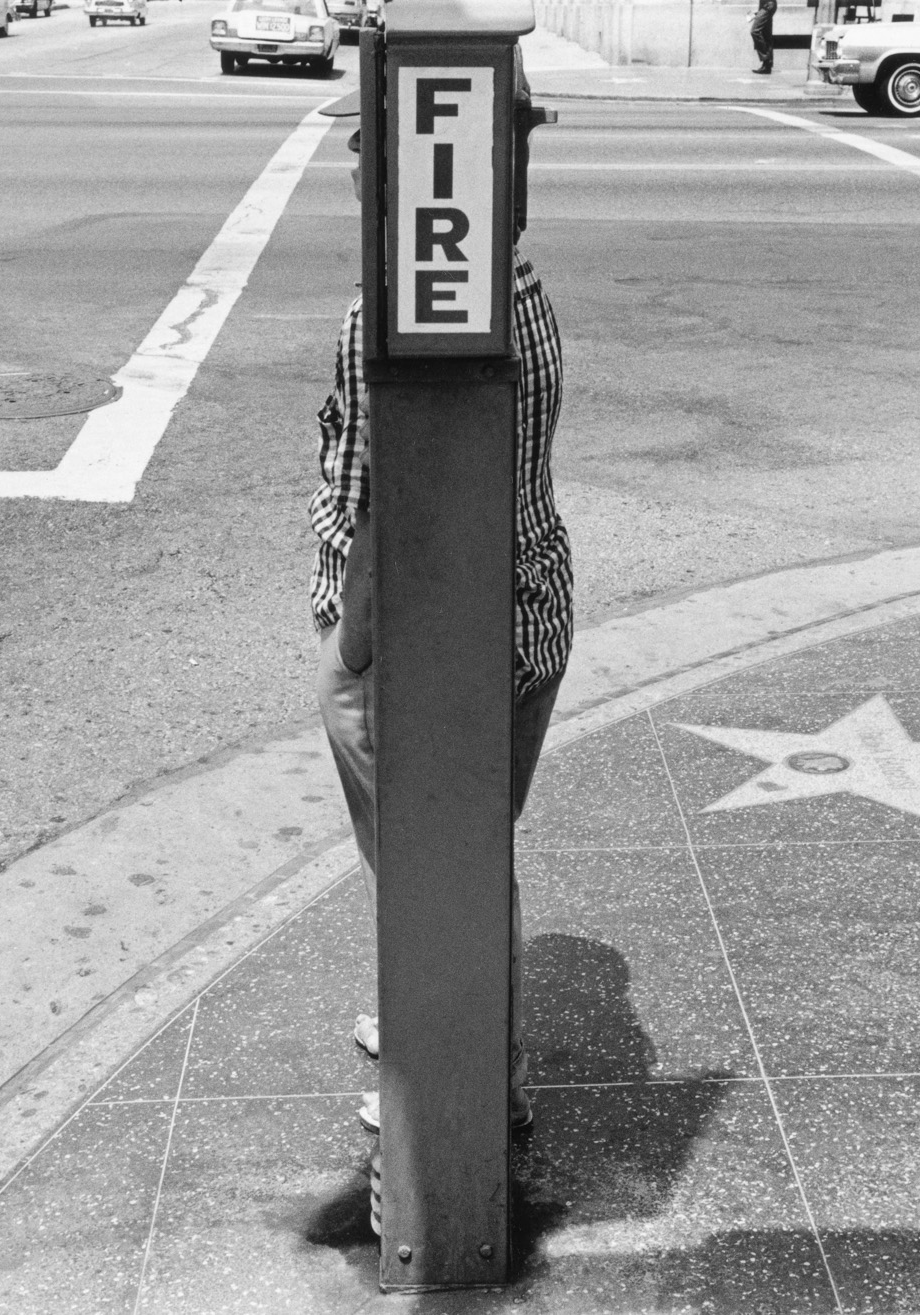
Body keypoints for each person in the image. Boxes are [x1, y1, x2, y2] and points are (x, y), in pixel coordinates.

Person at [311, 123, 574, 1135]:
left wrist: (348, 656)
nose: (349, 162)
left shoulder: (395, 315)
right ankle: (439, 1026)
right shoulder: (519, 284)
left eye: (367, 143)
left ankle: (459, 1083)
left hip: (422, 646)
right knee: (464, 852)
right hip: (529, 612)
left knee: (437, 863)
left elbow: (387, 516)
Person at [751, 0, 777, 74]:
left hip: (768, 5)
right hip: (766, 5)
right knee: (766, 35)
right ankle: (767, 66)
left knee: (755, 31)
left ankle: (766, 59)